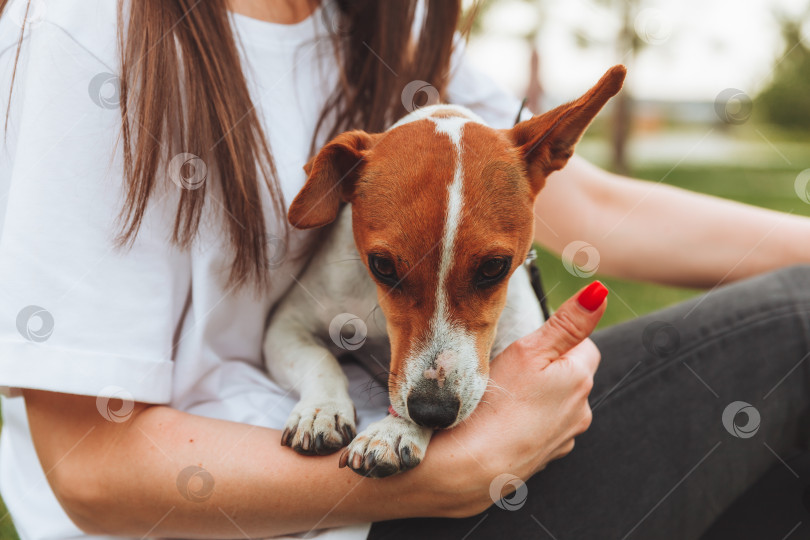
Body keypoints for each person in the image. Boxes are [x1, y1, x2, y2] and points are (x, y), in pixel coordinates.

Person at [0, 0, 807, 538]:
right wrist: (445, 475)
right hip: (313, 514)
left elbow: (580, 205)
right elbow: (89, 469)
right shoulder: (88, 34)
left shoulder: (390, 14)